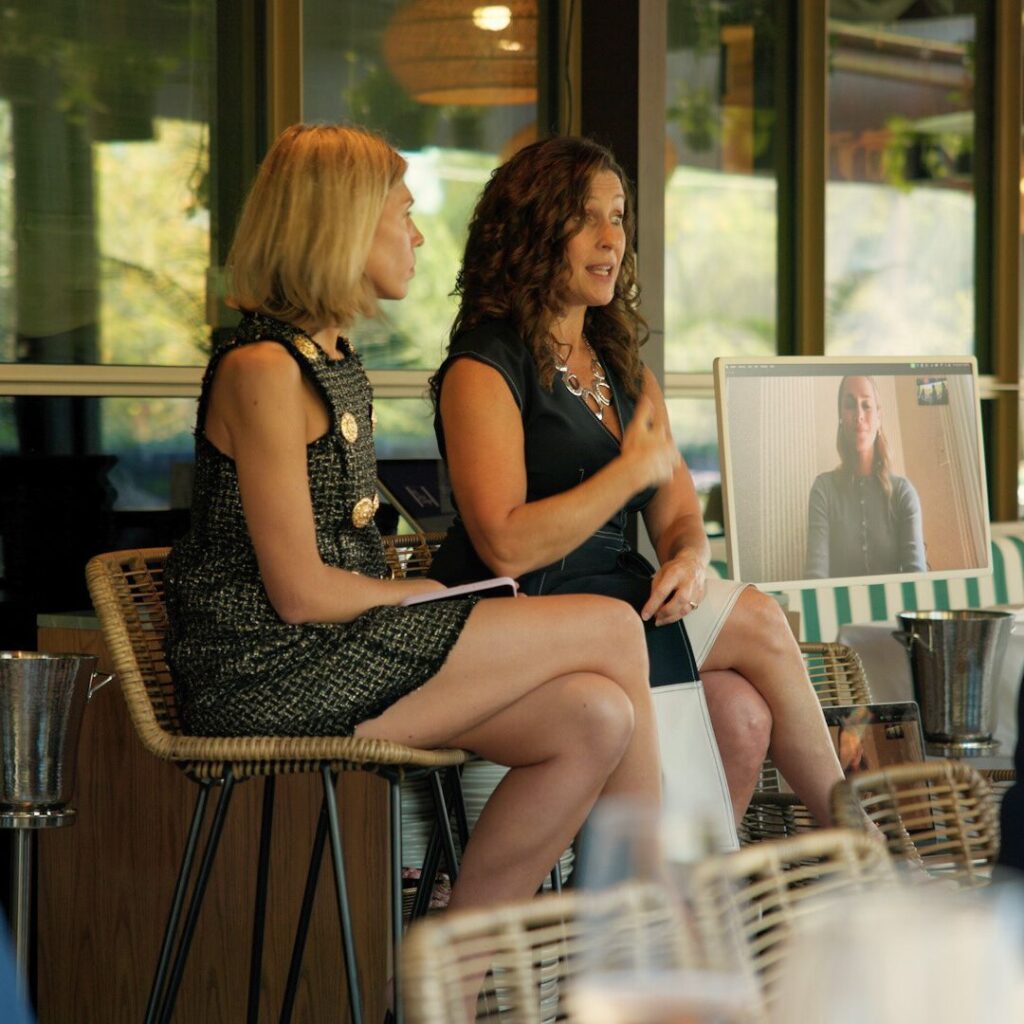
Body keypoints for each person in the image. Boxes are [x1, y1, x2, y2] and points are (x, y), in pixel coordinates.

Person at [164, 124, 663, 918]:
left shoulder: (330, 357)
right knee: (610, 627)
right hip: (270, 672)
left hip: (339, 651)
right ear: (345, 225)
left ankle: (447, 979)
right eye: (403, 213)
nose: (418, 234)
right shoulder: (261, 369)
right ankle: (638, 951)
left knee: (595, 718)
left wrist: (432, 595)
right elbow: (296, 594)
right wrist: (428, 595)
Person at [428, 135, 844, 826]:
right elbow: (502, 543)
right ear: (533, 232)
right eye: (585, 217)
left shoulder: (621, 363)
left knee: (740, 716)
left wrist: (687, 558)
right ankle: (864, 850)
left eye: (618, 217)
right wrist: (626, 476)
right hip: (519, 613)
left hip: (620, 600)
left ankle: (680, 916)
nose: (609, 238)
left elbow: (677, 509)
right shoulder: (484, 365)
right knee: (761, 621)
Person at [805, 375, 926, 579]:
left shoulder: (903, 493)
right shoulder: (823, 489)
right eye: (850, 405)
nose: (859, 415)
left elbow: (917, 578)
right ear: (840, 417)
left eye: (866, 405)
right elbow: (815, 576)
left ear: (879, 416)